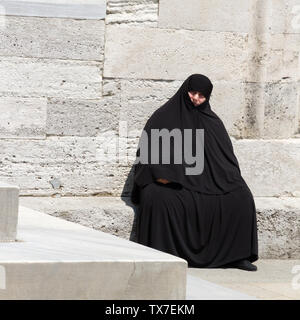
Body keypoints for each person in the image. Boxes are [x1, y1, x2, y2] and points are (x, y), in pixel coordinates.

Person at [131, 74, 259, 271]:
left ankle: (235, 256)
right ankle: (162, 255)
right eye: (193, 92)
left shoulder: (211, 121)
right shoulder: (163, 116)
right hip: (171, 181)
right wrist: (162, 175)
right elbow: (147, 155)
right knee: (156, 198)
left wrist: (229, 179)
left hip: (207, 181)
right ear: (185, 90)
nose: (196, 98)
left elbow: (226, 160)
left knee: (241, 197)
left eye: (202, 95)